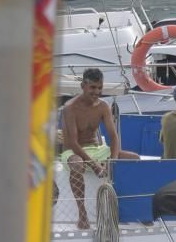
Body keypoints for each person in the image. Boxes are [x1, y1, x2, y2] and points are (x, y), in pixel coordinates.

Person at [59, 68, 139, 229]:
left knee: (134, 159)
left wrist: (113, 160)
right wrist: (94, 165)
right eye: (93, 87)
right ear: (83, 86)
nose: (97, 92)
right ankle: (82, 214)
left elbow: (114, 136)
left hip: (98, 149)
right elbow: (73, 142)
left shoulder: (103, 106)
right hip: (73, 151)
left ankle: (131, 209)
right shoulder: (70, 108)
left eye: (99, 88)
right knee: (77, 164)